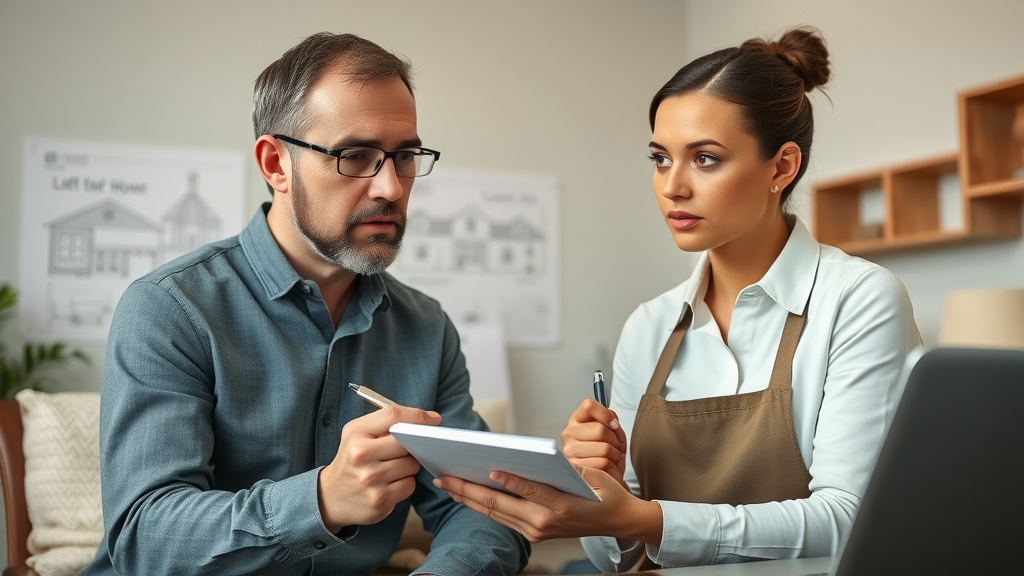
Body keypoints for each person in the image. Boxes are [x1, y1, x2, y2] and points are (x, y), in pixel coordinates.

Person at [434, 26, 921, 570]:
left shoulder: (858, 300)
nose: (672, 186)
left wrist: (642, 519)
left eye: (706, 158)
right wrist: (599, 489)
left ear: (781, 167)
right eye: (660, 158)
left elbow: (850, 519)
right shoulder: (649, 326)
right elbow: (613, 558)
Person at [81, 32, 529, 576]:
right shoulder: (170, 309)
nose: (390, 186)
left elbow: (486, 508)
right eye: (355, 155)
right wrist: (321, 501)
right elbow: (143, 537)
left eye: (405, 156)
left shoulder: (426, 329)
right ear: (276, 164)